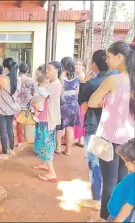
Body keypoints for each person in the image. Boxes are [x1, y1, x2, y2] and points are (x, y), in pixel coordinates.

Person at [88, 40, 135, 221]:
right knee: (124, 182)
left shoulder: (113, 80)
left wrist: (105, 100)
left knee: (108, 182)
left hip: (109, 138)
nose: (106, 60)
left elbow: (92, 101)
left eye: (108, 56)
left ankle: (103, 218)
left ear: (119, 57)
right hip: (130, 140)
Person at [78, 49, 110, 213]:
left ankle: (96, 199)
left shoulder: (92, 83)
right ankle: (108, 199)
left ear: (94, 64)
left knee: (94, 163)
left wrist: (84, 80)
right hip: (111, 128)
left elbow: (82, 105)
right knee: (111, 164)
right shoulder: (118, 80)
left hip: (94, 125)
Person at [33, 61, 62, 183]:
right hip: (45, 117)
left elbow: (39, 97)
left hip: (47, 118)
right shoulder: (53, 83)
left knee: (46, 143)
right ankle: (46, 164)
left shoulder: (54, 84)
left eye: (49, 69)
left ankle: (52, 173)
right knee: (45, 141)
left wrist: (33, 100)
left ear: (56, 70)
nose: (47, 72)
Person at [0, 58, 21, 159]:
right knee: (10, 129)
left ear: (5, 68)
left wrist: (2, 96)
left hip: (1, 108)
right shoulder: (18, 79)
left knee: (3, 130)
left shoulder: (2, 79)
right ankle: (11, 150)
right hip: (12, 108)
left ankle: (4, 153)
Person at [55, 57, 80, 156]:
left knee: (59, 128)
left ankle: (58, 148)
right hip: (74, 104)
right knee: (70, 128)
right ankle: (68, 150)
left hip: (62, 104)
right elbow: (77, 92)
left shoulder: (60, 76)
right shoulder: (76, 76)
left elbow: (58, 91)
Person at [107, 139, 135, 222]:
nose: (125, 164)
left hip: (120, 218)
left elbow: (128, 207)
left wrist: (117, 221)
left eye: (126, 161)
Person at [16, 62, 35, 147]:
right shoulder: (31, 80)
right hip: (28, 103)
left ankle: (20, 141)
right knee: (28, 121)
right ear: (27, 70)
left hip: (18, 103)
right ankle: (29, 138)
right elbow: (34, 92)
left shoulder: (16, 79)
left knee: (19, 122)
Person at [74, 59, 86, 147]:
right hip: (79, 100)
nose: (77, 66)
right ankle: (80, 139)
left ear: (82, 67)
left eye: (79, 64)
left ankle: (81, 139)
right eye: (76, 64)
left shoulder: (81, 76)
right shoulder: (78, 75)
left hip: (80, 101)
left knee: (79, 119)